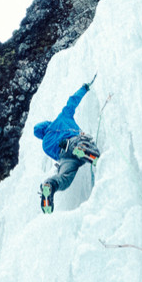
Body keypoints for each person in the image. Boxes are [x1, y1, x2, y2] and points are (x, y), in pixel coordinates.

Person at [34, 82, 101, 213]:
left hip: (65, 159)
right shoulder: (61, 118)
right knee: (88, 147)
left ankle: (50, 185)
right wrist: (84, 88)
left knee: (64, 178)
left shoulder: (45, 144)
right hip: (72, 142)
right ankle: (83, 150)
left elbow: (57, 157)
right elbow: (72, 102)